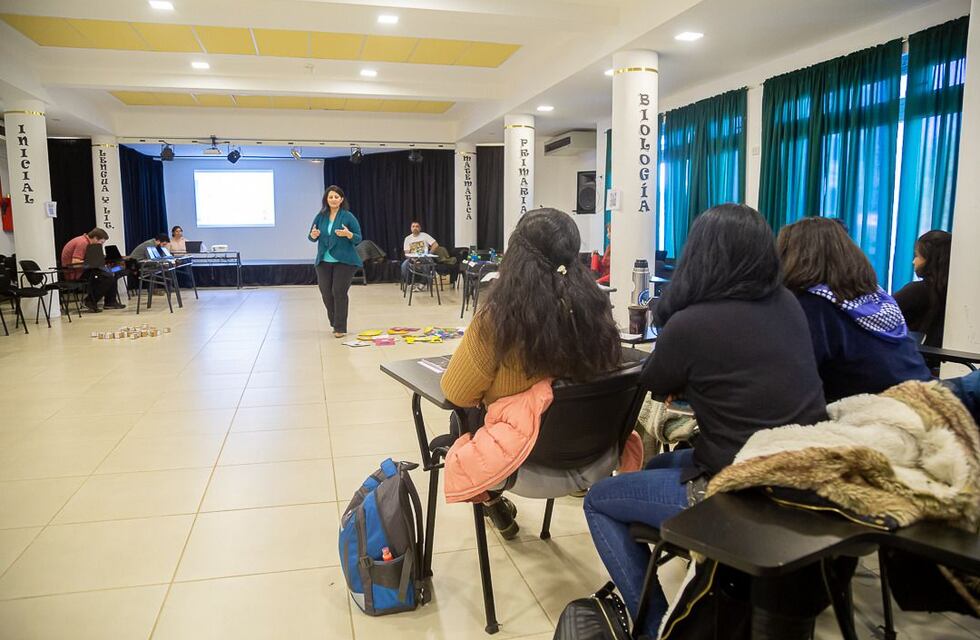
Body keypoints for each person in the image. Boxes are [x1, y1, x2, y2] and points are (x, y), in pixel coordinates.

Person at [584, 204, 827, 638]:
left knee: (599, 499)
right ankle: (695, 561)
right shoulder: (787, 304)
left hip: (741, 488)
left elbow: (657, 382)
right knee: (657, 467)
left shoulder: (692, 324)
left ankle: (654, 623)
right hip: (803, 476)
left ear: (700, 255)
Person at [440, 207, 621, 538]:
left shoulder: (497, 321)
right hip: (595, 455)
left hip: (524, 463)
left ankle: (491, 500)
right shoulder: (596, 311)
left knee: (458, 419)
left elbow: (456, 392)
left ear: (516, 255)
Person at [778, 217, 931, 401]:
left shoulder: (814, 305)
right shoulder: (875, 295)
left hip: (879, 413)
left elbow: (795, 379)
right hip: (925, 396)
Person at [309, 185, 363, 338]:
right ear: (326, 199)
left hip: (345, 261)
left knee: (338, 292)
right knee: (326, 293)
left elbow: (359, 238)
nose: (333, 199)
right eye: (330, 197)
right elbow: (311, 236)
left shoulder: (348, 216)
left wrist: (348, 234)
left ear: (341, 199)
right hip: (323, 261)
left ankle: (340, 327)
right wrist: (313, 235)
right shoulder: (321, 216)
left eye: (336, 197)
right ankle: (335, 321)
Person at [894, 230, 952, 349]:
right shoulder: (953, 292)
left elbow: (878, 316)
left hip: (909, 359)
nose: (913, 261)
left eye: (917, 256)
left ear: (931, 261)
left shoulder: (916, 291)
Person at [60, 227, 125, 312]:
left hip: (84, 270)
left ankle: (110, 302)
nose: (101, 245)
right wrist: (93, 262)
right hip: (75, 273)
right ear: (95, 238)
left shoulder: (86, 241)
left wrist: (100, 260)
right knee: (107, 276)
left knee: (112, 272)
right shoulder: (82, 243)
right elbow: (75, 262)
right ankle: (89, 301)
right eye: (101, 242)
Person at [401, 221, 439, 289]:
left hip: (424, 257)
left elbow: (435, 245)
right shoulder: (407, 239)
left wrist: (429, 254)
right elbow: (406, 253)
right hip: (412, 258)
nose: (415, 228)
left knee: (426, 262)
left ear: (420, 228)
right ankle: (410, 284)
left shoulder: (425, 235)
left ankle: (423, 283)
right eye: (413, 226)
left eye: (417, 226)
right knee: (404, 265)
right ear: (411, 228)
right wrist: (413, 259)